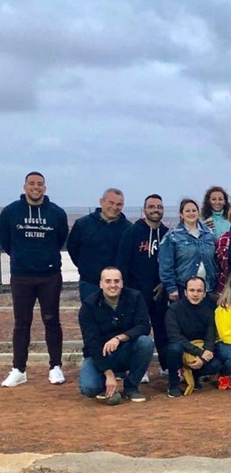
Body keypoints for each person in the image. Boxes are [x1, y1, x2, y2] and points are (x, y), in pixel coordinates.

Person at [0, 171, 69, 387]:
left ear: (44, 188)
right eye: (32, 183)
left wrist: (45, 258)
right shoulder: (10, 212)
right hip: (21, 276)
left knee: (51, 320)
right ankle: (19, 369)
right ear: (25, 187)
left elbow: (60, 239)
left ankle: (55, 367)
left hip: (49, 276)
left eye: (40, 184)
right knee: (21, 323)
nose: (36, 187)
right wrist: (22, 258)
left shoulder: (56, 213)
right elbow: (5, 241)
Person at [77, 267, 154, 404]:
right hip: (99, 354)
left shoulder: (135, 297)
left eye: (116, 281)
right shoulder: (88, 306)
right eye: (108, 281)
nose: (113, 285)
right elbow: (91, 343)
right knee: (89, 388)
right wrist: (109, 373)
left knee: (146, 342)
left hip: (126, 351)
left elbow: (144, 326)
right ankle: (103, 385)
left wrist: (119, 338)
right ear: (101, 284)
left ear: (122, 283)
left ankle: (131, 387)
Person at [116, 194, 170, 382]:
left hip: (160, 292)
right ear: (144, 209)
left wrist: (164, 282)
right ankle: (140, 369)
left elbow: (171, 262)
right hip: (136, 293)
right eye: (152, 206)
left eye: (159, 207)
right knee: (139, 331)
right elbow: (122, 262)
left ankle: (166, 366)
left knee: (163, 330)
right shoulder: (132, 232)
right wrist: (127, 290)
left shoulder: (167, 234)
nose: (156, 210)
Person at [67, 187, 132, 302]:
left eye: (119, 204)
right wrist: (85, 267)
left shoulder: (129, 229)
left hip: (117, 284)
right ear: (101, 202)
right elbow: (73, 248)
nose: (114, 207)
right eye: (111, 203)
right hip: (90, 283)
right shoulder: (83, 224)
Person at [164, 276, 224, 398]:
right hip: (180, 349)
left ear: (204, 293)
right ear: (185, 292)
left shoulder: (209, 310)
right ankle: (173, 384)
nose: (195, 294)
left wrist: (204, 357)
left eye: (199, 291)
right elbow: (174, 336)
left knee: (216, 364)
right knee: (174, 349)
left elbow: (210, 335)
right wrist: (200, 353)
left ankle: (195, 377)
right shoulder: (174, 309)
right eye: (191, 290)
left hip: (199, 349)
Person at [159, 198, 217, 300]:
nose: (191, 213)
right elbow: (166, 265)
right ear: (181, 214)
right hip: (183, 289)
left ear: (198, 213)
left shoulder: (209, 234)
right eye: (187, 211)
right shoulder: (172, 236)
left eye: (194, 210)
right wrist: (171, 288)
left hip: (208, 288)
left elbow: (216, 260)